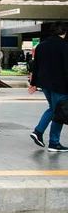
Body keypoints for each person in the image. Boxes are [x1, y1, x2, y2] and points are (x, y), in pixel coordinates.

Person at [28, 21, 68, 152]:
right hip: (60, 85)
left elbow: (36, 67)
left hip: (45, 84)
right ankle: (53, 142)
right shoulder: (63, 45)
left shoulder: (41, 46)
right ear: (64, 31)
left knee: (54, 108)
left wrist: (33, 84)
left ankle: (38, 132)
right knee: (59, 112)